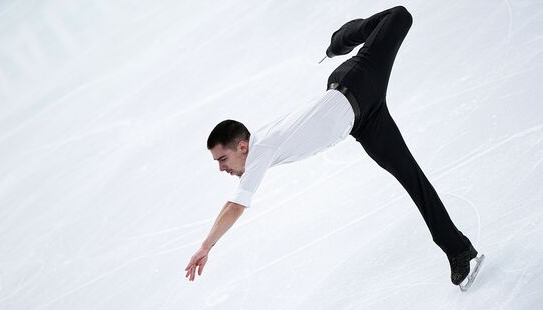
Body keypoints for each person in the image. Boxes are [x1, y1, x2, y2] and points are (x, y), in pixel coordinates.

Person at [185, 5, 479, 288]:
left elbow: (235, 205)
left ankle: (341, 38)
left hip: (358, 82)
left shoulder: (259, 152)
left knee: (398, 18)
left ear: (242, 147)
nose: (222, 168)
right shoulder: (258, 150)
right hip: (364, 123)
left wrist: (205, 246)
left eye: (222, 159)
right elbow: (232, 201)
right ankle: (459, 251)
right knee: (412, 179)